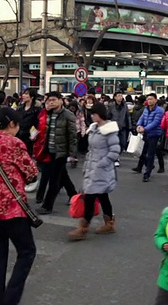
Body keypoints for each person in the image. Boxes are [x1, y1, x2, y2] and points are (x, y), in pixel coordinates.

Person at [0, 107, 38, 305]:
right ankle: (10, 300)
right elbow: (31, 173)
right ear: (12, 124)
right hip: (12, 208)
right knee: (27, 251)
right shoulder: (15, 143)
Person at [68, 102, 120, 240]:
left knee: (90, 197)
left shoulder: (109, 130)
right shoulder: (94, 128)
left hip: (101, 169)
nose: (91, 116)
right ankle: (109, 224)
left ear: (100, 114)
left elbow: (115, 151)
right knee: (102, 196)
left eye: (94, 114)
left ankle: (83, 227)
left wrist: (102, 163)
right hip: (93, 167)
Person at [36, 92, 79, 215]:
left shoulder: (68, 115)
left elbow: (72, 136)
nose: (51, 102)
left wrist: (72, 154)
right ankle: (74, 195)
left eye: (54, 100)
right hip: (48, 150)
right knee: (62, 175)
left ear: (61, 100)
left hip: (61, 152)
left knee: (54, 179)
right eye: (49, 100)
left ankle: (47, 206)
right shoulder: (48, 113)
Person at [133, 93, 165, 182]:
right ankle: (148, 166)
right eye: (148, 99)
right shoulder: (146, 109)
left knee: (150, 154)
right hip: (145, 133)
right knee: (143, 153)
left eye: (151, 99)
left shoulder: (159, 110)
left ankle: (147, 174)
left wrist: (144, 129)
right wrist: (139, 125)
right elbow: (142, 118)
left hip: (154, 134)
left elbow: (156, 122)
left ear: (155, 100)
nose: (149, 101)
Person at [108, 91, 132, 167]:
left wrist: (130, 126)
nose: (120, 97)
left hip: (123, 127)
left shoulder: (124, 105)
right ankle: (115, 158)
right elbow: (108, 115)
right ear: (114, 97)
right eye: (118, 96)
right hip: (113, 127)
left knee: (123, 143)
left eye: (121, 95)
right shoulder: (111, 105)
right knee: (115, 144)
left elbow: (127, 116)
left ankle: (117, 155)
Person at [16, 88, 40, 155]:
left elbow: (38, 124)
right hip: (18, 136)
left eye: (26, 94)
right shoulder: (19, 108)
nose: (23, 95)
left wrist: (34, 135)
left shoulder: (36, 110)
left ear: (32, 96)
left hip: (29, 137)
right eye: (23, 93)